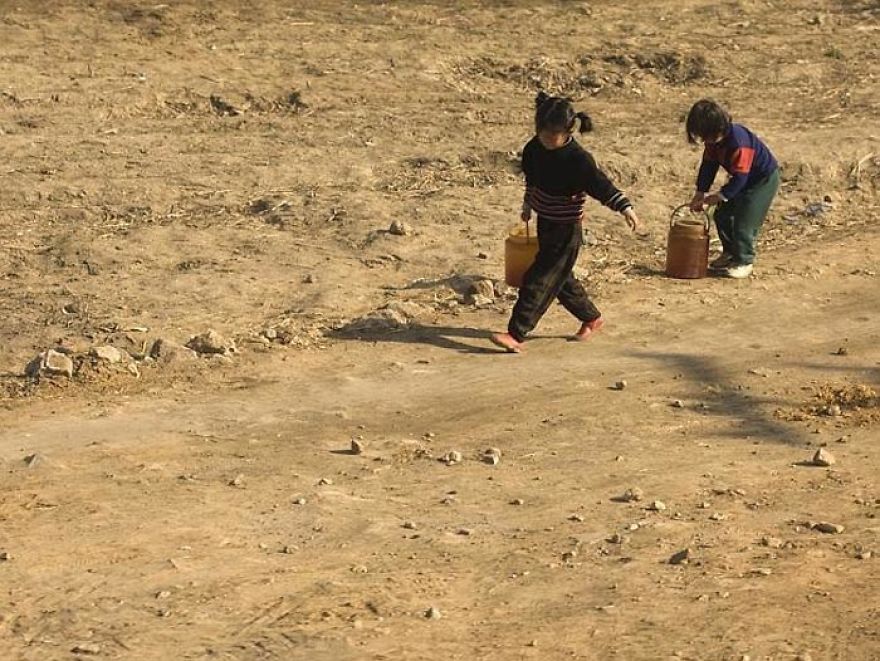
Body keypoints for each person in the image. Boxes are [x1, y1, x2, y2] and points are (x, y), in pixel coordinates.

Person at [491, 92, 640, 354]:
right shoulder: (533, 149)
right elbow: (533, 180)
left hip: (567, 229)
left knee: (538, 279)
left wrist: (624, 207)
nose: (547, 139)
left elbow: (600, 185)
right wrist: (527, 204)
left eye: (553, 134)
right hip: (545, 223)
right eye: (543, 133)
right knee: (560, 278)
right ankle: (592, 318)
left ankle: (516, 333)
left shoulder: (578, 160)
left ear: (569, 130)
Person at [686, 99, 779, 278]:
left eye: (706, 136)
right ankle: (730, 253)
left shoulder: (739, 142)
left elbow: (740, 178)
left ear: (718, 128)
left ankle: (744, 260)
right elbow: (708, 166)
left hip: (762, 181)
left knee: (744, 221)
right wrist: (700, 192)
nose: (705, 141)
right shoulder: (713, 143)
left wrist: (720, 196)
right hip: (742, 181)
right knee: (722, 215)